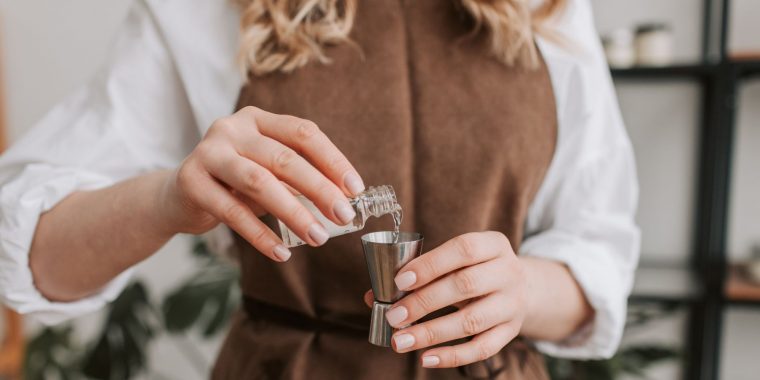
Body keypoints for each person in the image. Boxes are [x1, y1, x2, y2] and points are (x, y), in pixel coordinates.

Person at [0, 0, 640, 378]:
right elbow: (33, 255)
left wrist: (521, 290)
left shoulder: (548, 9)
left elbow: (599, 250)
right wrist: (169, 198)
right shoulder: (197, 12)